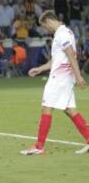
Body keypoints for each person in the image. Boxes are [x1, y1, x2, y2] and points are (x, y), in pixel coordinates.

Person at [21, 10, 89, 155]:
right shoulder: (66, 32)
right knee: (69, 110)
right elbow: (57, 59)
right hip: (65, 77)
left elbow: (71, 54)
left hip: (60, 78)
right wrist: (39, 69)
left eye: (45, 26)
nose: (46, 29)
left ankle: (39, 146)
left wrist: (78, 76)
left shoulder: (62, 34)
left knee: (46, 107)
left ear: (49, 21)